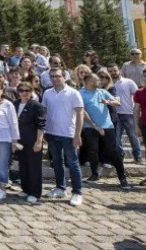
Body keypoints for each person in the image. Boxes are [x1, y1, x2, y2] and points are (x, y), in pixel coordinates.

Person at [79, 74, 132, 189]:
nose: (100, 81)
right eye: (97, 80)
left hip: (107, 126)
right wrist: (94, 126)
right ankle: (94, 174)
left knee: (113, 151)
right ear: (89, 81)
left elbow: (117, 102)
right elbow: (82, 111)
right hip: (90, 127)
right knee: (93, 150)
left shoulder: (102, 92)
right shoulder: (80, 93)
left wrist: (108, 102)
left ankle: (122, 178)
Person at [42, 69, 86, 206]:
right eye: (52, 76)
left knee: (73, 163)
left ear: (64, 77)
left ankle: (77, 192)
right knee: (56, 162)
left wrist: (78, 134)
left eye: (57, 76)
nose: (55, 78)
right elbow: (44, 112)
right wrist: (43, 131)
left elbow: (80, 114)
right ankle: (60, 188)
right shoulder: (47, 93)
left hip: (69, 134)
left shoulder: (73, 93)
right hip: (52, 133)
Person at [13, 82, 46, 204]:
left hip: (33, 140)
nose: (24, 93)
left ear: (31, 91)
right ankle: (26, 189)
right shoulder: (15, 104)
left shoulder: (36, 105)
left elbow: (41, 125)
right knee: (23, 165)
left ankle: (35, 193)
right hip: (20, 140)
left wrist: (39, 141)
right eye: (21, 90)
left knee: (34, 167)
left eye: (27, 90)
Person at [107, 64, 142, 164]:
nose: (113, 73)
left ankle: (137, 156)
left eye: (114, 70)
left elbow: (138, 96)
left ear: (119, 71)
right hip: (114, 114)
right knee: (116, 137)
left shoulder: (128, 82)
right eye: (110, 71)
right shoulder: (107, 85)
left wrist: (138, 110)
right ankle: (120, 155)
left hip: (128, 113)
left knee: (133, 136)